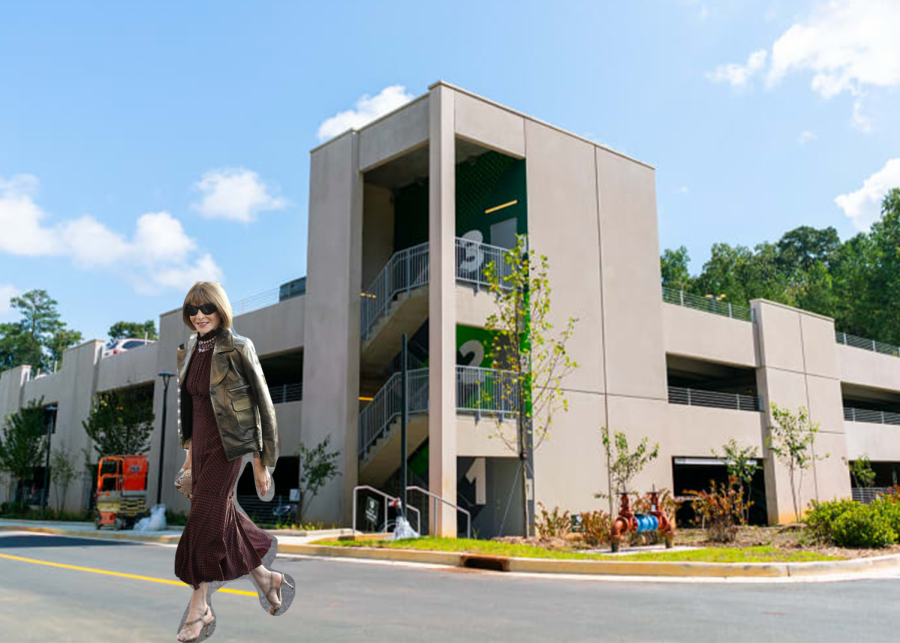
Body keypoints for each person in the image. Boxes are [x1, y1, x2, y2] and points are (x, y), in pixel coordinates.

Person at [174, 281, 294, 641]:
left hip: (230, 449)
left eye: (206, 308)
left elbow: (262, 405)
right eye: (193, 310)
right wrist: (188, 456)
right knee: (219, 515)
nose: (199, 316)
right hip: (201, 448)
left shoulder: (239, 347)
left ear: (220, 309)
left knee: (204, 517)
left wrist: (262, 461)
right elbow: (191, 410)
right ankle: (266, 578)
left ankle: (199, 608)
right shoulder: (188, 351)